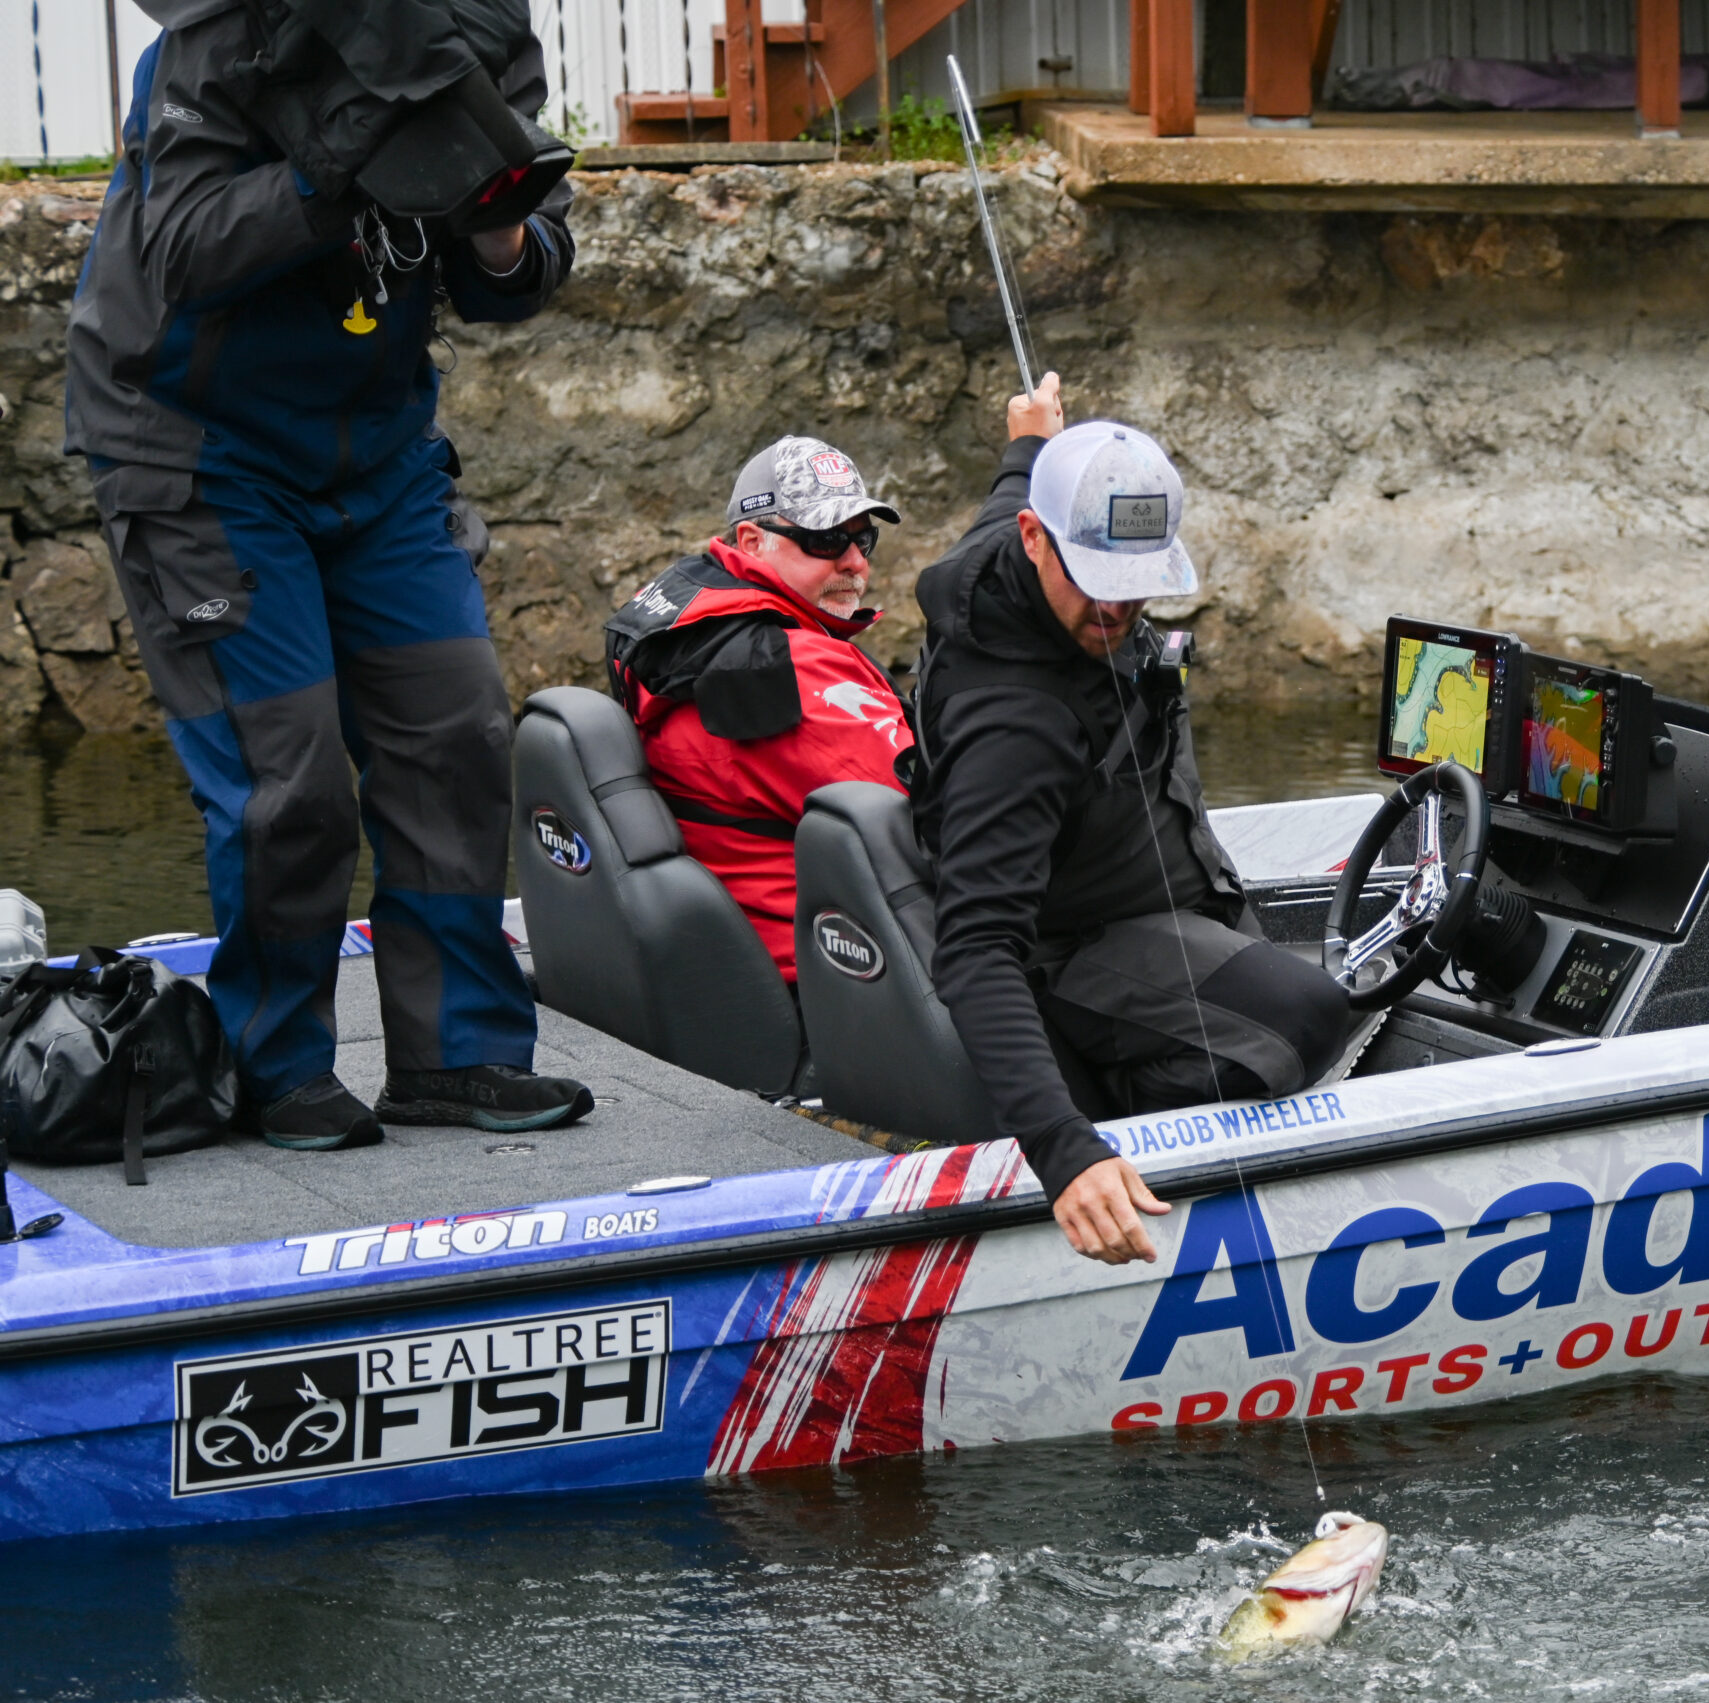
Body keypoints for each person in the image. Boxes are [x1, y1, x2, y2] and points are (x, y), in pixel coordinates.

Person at [62, 6, 590, 1149]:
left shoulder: (479, 34)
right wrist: (341, 169)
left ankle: (456, 1056)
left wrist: (499, 234)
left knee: (455, 737)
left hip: (377, 447)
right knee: (286, 772)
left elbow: (526, 256)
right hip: (194, 446)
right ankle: (278, 1062)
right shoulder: (215, 43)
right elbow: (184, 247)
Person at [911, 376, 1355, 1266]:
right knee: (1307, 1012)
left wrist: (1033, 439)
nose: (1113, 613)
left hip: (1151, 886)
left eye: (1135, 589)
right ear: (1038, 541)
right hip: (1074, 948)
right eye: (1094, 585)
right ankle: (1121, 1103)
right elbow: (973, 947)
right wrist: (1066, 1150)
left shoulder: (1008, 545)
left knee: (1274, 979)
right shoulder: (1015, 726)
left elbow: (1011, 490)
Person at [605, 438, 914, 979]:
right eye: (825, 539)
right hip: (838, 971)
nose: (856, 562)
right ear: (751, 540)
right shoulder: (796, 669)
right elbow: (924, 827)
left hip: (734, 950)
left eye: (864, 537)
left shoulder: (680, 632)